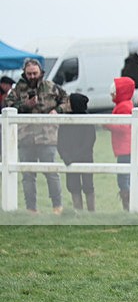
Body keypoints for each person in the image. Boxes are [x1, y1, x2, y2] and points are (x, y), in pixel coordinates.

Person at [5, 58, 69, 214]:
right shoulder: (17, 90)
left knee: (51, 173)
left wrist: (58, 111)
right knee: (28, 176)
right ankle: (31, 209)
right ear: (24, 73)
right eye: (29, 73)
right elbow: (8, 106)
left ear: (41, 72)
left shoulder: (51, 87)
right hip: (25, 138)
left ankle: (57, 207)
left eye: (35, 73)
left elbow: (67, 100)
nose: (32, 76)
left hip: (47, 137)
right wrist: (25, 105)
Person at [56, 93, 96, 212]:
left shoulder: (87, 120)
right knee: (73, 187)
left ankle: (91, 214)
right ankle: (78, 212)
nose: (66, 104)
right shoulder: (65, 120)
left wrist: (76, 156)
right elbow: (60, 142)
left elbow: (90, 141)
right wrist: (65, 156)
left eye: (69, 102)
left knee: (88, 186)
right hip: (69, 160)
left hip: (85, 158)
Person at [105, 77, 136, 211]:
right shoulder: (126, 104)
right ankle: (137, 202)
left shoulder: (123, 106)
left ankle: (129, 205)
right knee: (127, 177)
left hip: (125, 148)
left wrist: (108, 125)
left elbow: (123, 127)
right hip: (127, 147)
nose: (111, 94)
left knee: (123, 179)